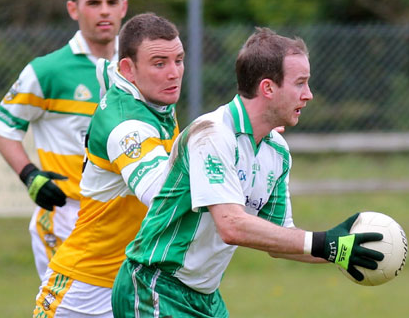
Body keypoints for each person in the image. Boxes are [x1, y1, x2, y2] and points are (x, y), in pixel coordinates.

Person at [111, 27, 385, 318]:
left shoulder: (277, 151)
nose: (309, 95)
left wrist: (339, 250)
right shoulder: (212, 134)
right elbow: (232, 225)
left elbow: (281, 241)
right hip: (155, 287)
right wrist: (320, 242)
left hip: (205, 298)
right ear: (268, 88)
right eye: (300, 83)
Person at [33, 12, 185, 317]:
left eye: (179, 60)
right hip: (83, 291)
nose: (174, 73)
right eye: (160, 63)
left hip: (133, 286)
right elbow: (162, 195)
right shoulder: (127, 125)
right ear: (128, 69)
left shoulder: (154, 100)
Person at [0, 0, 128, 281]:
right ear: (73, 9)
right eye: (93, 3)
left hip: (125, 216)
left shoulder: (136, 66)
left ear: (124, 7)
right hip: (67, 215)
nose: (104, 11)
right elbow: (2, 128)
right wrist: (30, 175)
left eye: (111, 2)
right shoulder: (47, 70)